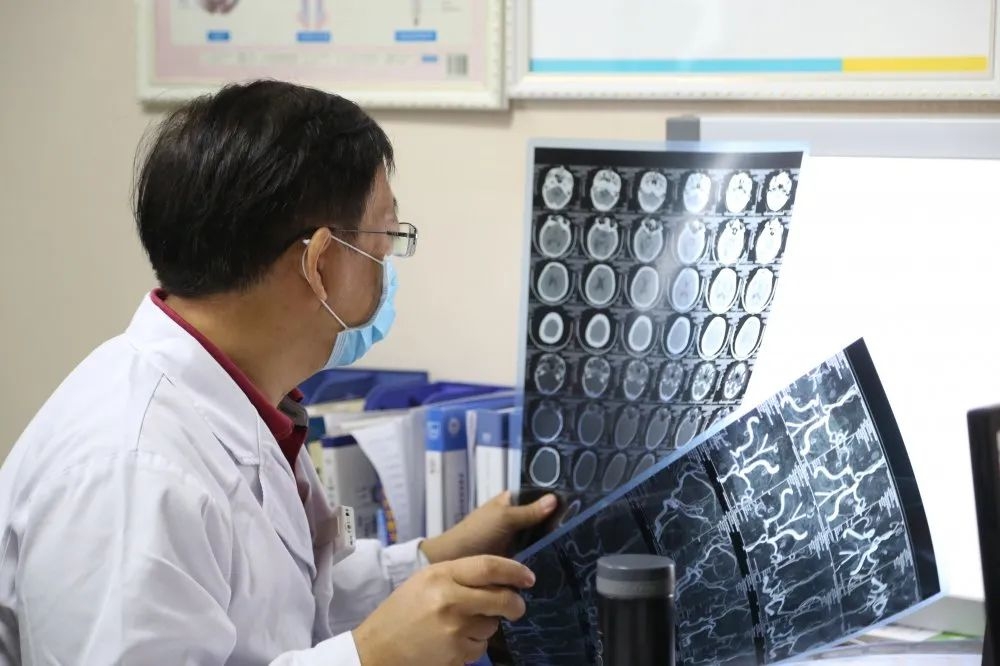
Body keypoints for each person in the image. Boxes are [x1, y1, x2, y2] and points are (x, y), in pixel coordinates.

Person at [0, 80, 557, 665]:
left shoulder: (241, 402)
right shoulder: (133, 473)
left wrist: (436, 558)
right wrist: (369, 657)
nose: (389, 266)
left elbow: (284, 600)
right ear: (319, 262)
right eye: (387, 238)